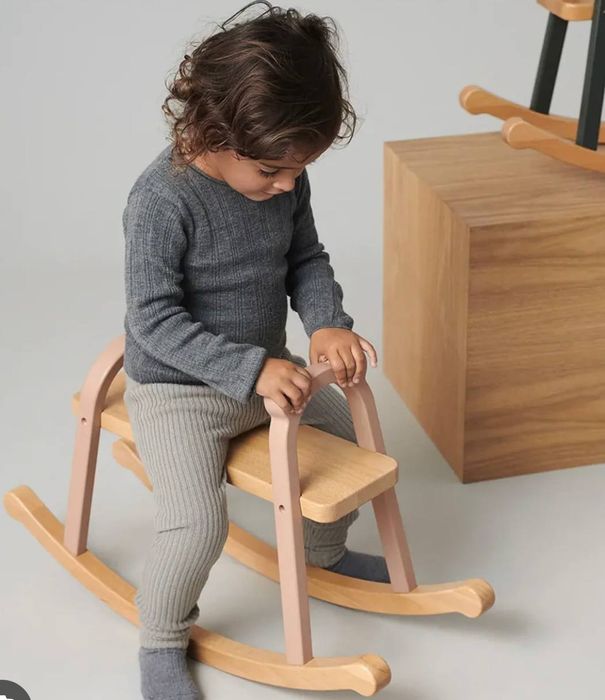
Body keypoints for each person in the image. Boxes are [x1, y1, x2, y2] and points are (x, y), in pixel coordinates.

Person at [122, 2, 387, 698]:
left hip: (271, 376)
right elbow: (151, 320)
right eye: (273, 170)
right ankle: (160, 639)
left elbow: (305, 258)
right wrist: (250, 369)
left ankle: (324, 555)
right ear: (212, 133)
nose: (288, 184)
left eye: (299, 169)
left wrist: (326, 322)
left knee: (355, 444)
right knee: (196, 524)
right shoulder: (162, 200)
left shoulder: (283, 174)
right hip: (181, 392)